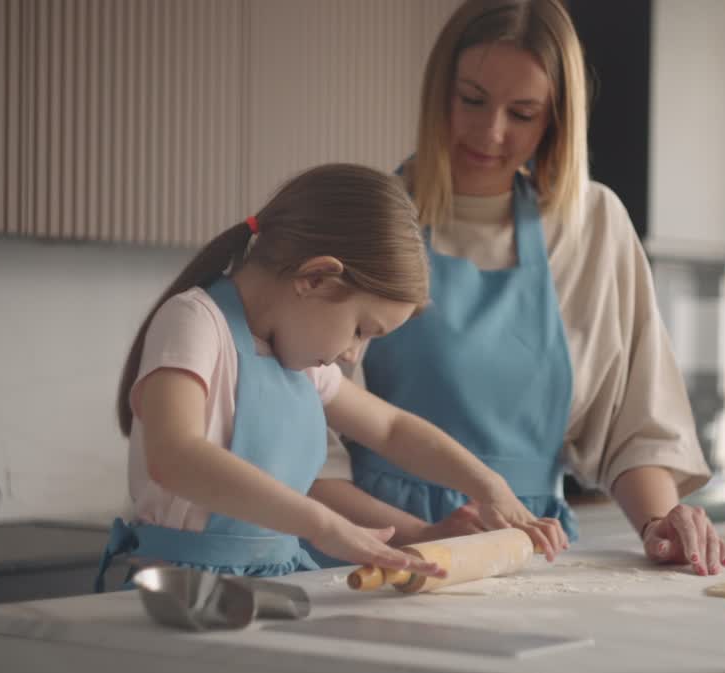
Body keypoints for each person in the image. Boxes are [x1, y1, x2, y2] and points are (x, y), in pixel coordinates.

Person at [310, 0, 725, 576]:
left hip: (529, 552)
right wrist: (424, 539)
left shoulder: (592, 226)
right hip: (376, 545)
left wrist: (662, 524)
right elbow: (309, 452)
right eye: (472, 100)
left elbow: (634, 429)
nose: (491, 132)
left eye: (524, 113)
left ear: (557, 119)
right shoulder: (368, 223)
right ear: (440, 92)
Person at [95, 164, 565, 592]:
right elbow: (175, 456)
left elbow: (393, 429)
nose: (351, 354)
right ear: (316, 278)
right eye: (360, 330)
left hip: (272, 588)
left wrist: (489, 486)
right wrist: (320, 525)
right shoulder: (196, 323)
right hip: (176, 595)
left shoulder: (298, 361)